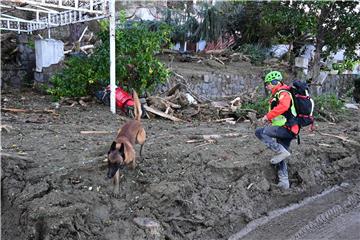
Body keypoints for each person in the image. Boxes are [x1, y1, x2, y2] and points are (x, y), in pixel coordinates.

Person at [255, 71, 299, 189]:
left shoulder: (283, 93)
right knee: (281, 155)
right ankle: (284, 182)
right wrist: (271, 120)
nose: (266, 86)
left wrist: (267, 116)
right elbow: (281, 113)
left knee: (259, 132)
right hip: (286, 128)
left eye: (268, 84)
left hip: (287, 128)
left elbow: (284, 106)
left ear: (275, 82)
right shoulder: (277, 94)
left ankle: (281, 152)